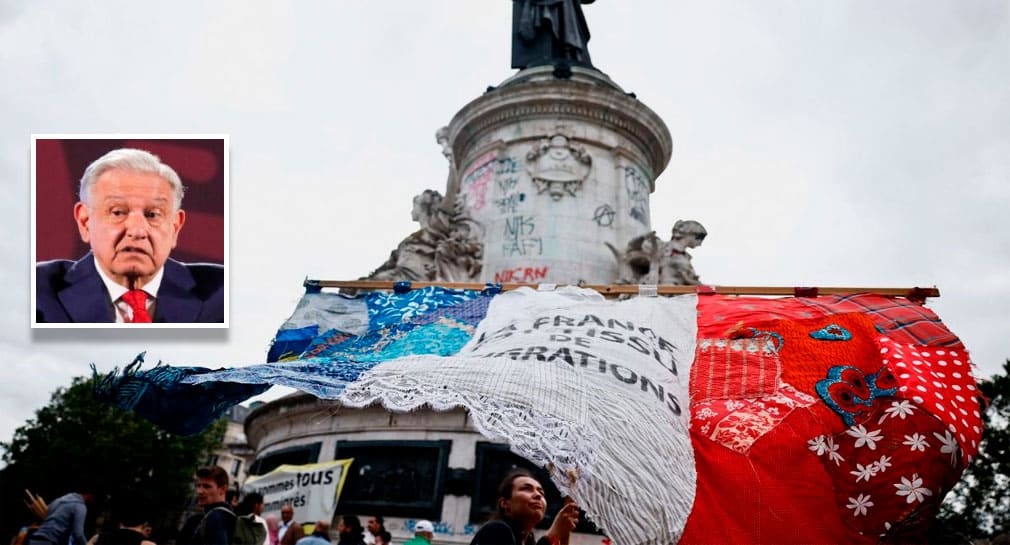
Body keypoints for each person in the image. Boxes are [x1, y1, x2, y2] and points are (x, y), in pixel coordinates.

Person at [36, 147, 224, 323]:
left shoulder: (222, 293)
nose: (137, 231)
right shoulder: (37, 291)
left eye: (153, 215)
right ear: (85, 221)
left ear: (175, 227)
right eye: (118, 212)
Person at [469, 470, 579, 545]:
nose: (538, 495)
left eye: (541, 492)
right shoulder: (496, 530)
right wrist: (552, 536)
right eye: (526, 489)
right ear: (504, 503)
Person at [179, 466, 234, 545]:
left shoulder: (215, 518)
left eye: (207, 486)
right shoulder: (230, 517)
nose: (200, 491)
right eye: (198, 486)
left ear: (223, 489)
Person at [26, 490, 92, 545]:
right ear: (89, 495)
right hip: (49, 541)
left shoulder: (58, 500)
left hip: (34, 539)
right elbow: (78, 534)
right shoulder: (80, 506)